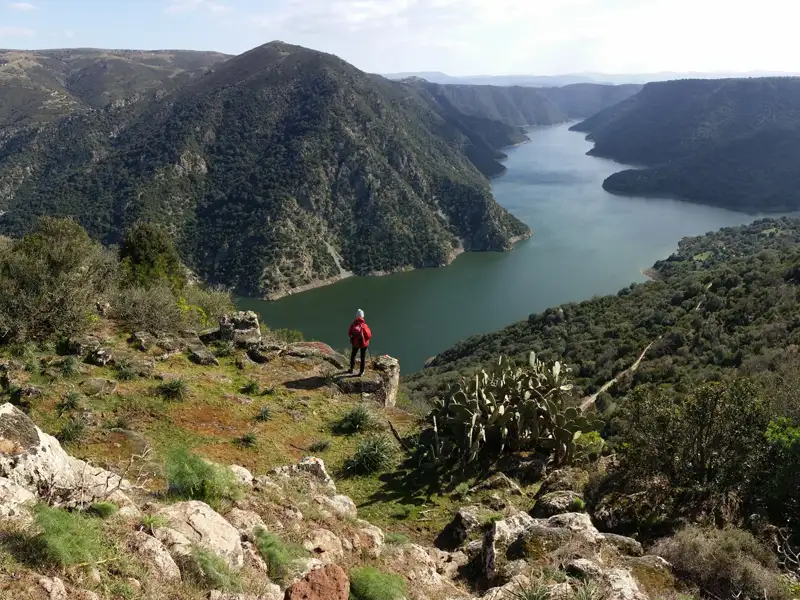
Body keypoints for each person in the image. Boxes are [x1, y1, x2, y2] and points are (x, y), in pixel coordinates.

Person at [348, 309, 372, 376]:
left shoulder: (353, 325)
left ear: (356, 316)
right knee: (362, 357)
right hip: (364, 344)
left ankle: (351, 369)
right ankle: (361, 372)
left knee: (353, 355)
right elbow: (369, 335)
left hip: (355, 343)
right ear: (362, 317)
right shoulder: (364, 325)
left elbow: (349, 333)